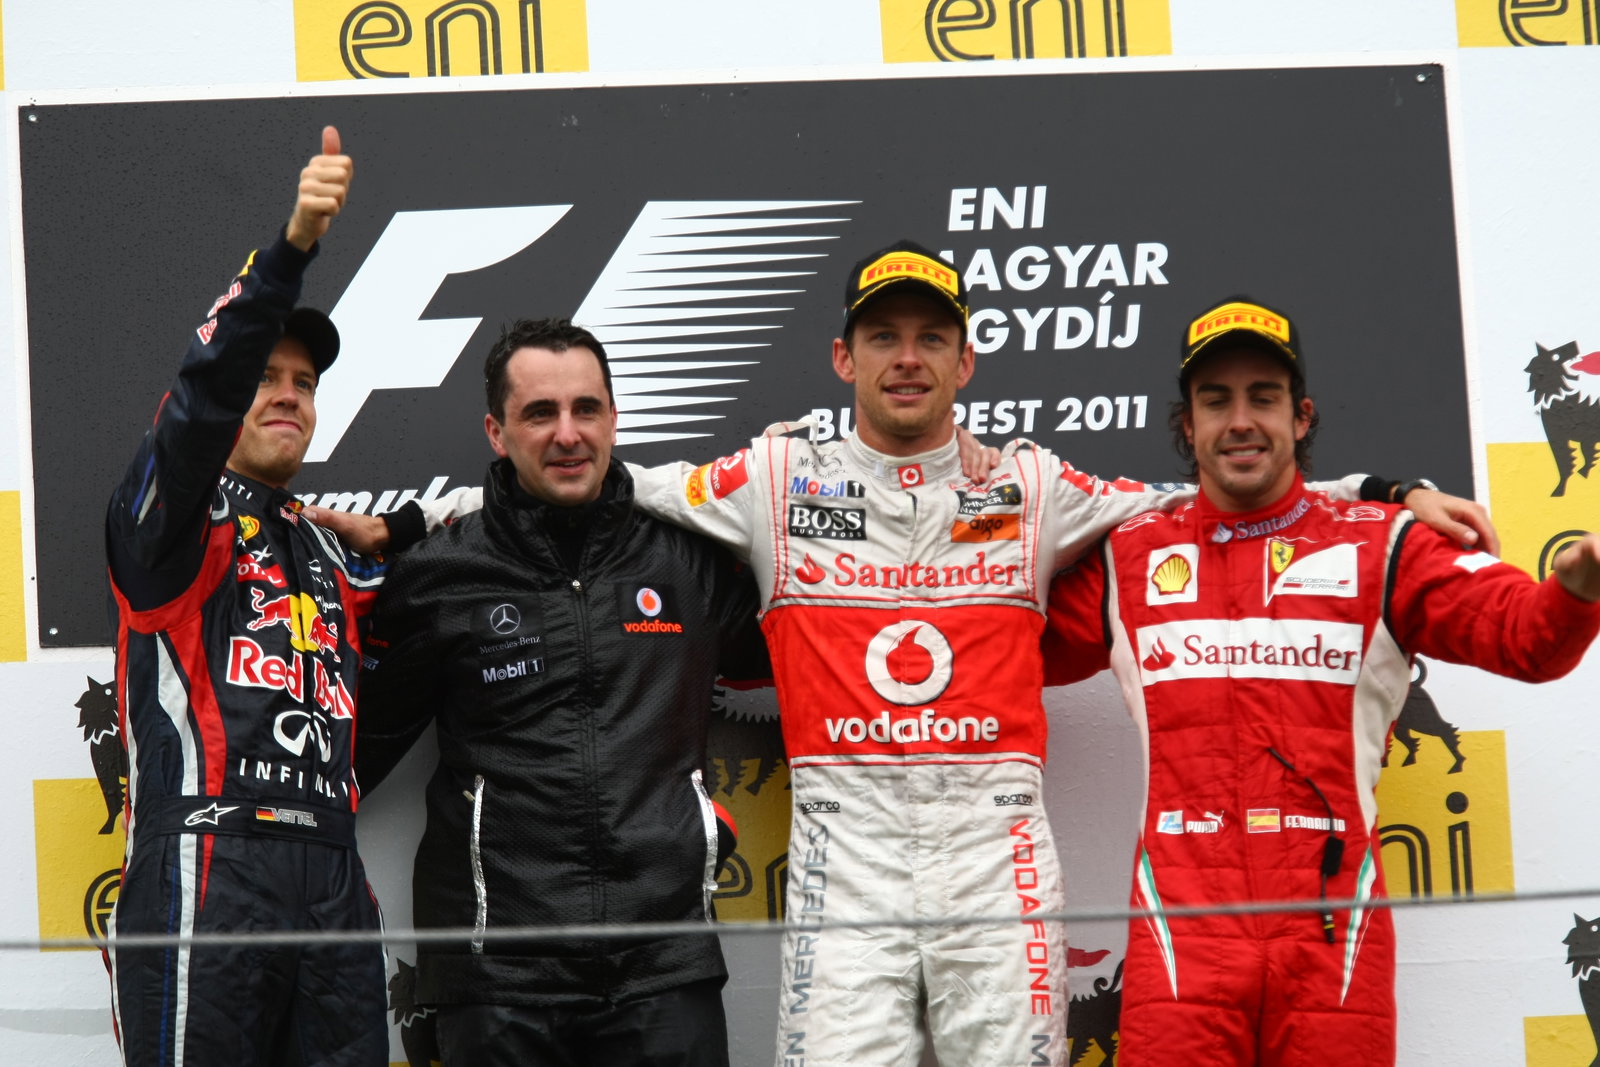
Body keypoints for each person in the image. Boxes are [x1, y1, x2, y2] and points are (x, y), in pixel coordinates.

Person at [311, 244, 1486, 1066]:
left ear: (968, 360)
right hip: (847, 841)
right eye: (883, 336)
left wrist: (1377, 490)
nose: (907, 357)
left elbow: (1213, 494)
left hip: (994, 841)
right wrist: (412, 525)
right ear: (843, 356)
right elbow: (603, 484)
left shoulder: (1033, 485)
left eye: (932, 337)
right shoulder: (778, 476)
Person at [1043, 296, 1600, 1066]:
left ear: (1301, 416)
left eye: (1263, 397)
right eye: (1216, 400)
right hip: (1181, 940)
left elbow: (1524, 638)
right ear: (1188, 425)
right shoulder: (1129, 556)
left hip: (1333, 938)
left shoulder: (1385, 544)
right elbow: (1002, 647)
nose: (1241, 420)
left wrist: (1575, 587)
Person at [351, 318, 767, 1067]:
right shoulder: (440, 573)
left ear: (613, 418)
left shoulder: (688, 563)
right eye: (540, 413)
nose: (568, 434)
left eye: (586, 409)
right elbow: (352, 752)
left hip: (664, 966)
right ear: (497, 432)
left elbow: (822, 644)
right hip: (496, 978)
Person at [105, 128, 390, 1066]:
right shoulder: (170, 528)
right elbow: (194, 411)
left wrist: (403, 532)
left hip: (335, 875)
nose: (288, 395)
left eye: (303, 382)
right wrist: (291, 251)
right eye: (265, 377)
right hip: (209, 859)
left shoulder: (331, 550)